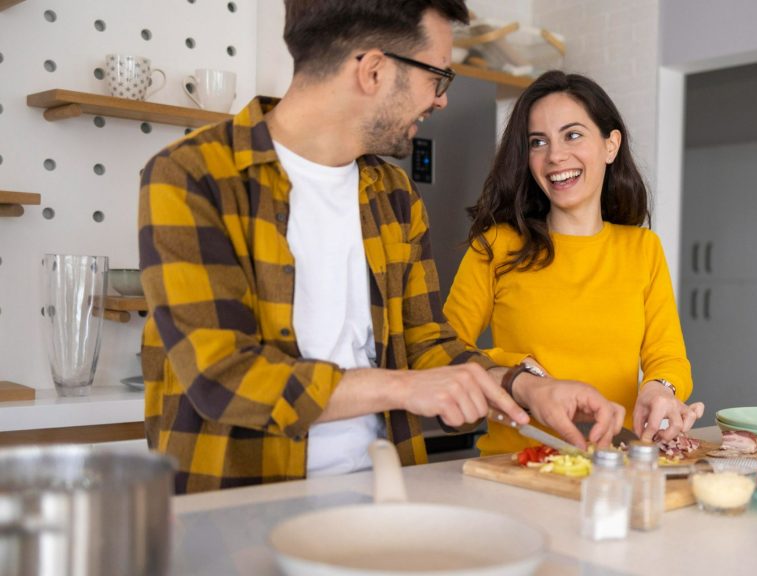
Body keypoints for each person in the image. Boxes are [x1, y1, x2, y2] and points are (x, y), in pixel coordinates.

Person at [138, 1, 624, 494]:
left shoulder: (393, 195)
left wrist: (524, 387)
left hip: (384, 495)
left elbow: (427, 344)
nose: (441, 101)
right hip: (237, 512)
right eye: (438, 77)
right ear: (373, 71)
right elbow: (223, 376)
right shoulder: (192, 176)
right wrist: (405, 387)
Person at [444, 71, 704, 457]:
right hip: (516, 467)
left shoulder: (643, 248)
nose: (555, 156)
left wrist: (659, 389)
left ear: (610, 145)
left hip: (612, 466)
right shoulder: (496, 246)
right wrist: (522, 372)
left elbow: (667, 357)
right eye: (538, 142)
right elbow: (443, 351)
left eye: (573, 134)